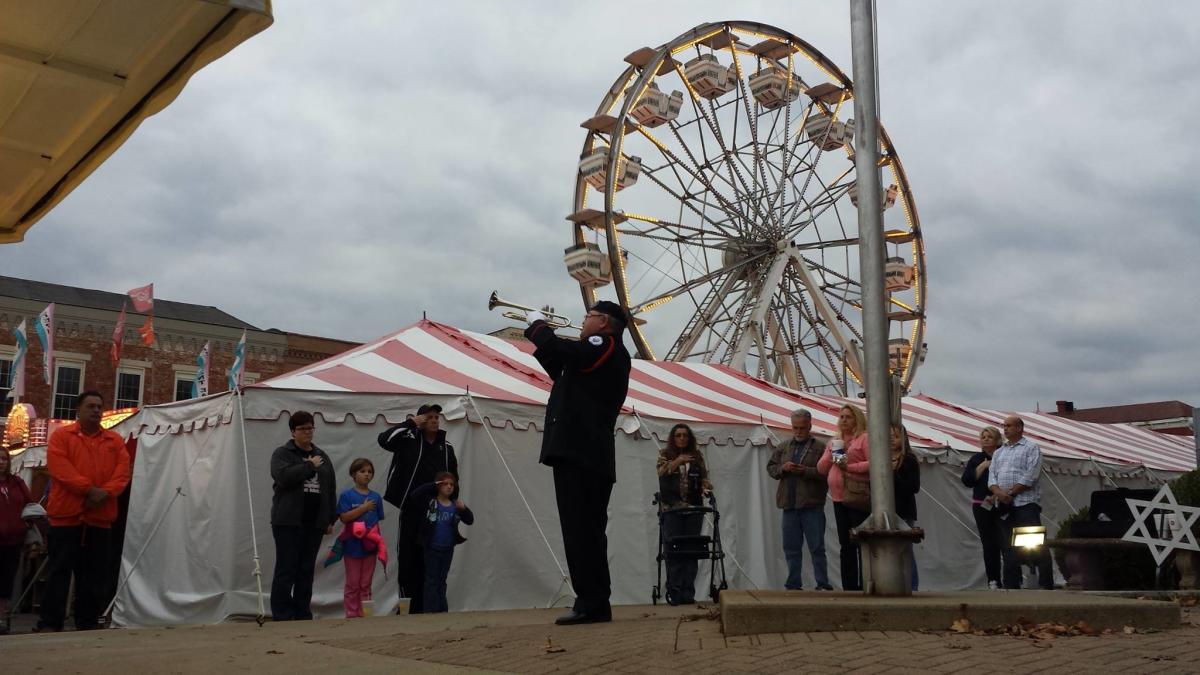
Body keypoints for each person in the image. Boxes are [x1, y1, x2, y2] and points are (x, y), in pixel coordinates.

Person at [524, 300, 631, 625]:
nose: (583, 322)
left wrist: (538, 326)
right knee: (584, 531)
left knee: (581, 531)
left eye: (588, 317)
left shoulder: (605, 344)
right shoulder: (597, 354)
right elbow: (563, 367)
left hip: (582, 450)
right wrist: (544, 341)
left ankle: (591, 602)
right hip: (585, 451)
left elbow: (571, 355)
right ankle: (593, 600)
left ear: (603, 323)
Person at [36, 391, 132, 632]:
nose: (96, 410)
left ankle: (88, 621)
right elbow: (60, 470)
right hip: (66, 518)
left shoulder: (114, 441)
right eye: (91, 406)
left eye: (99, 406)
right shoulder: (61, 437)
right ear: (78, 410)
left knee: (93, 575)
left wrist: (106, 493)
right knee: (59, 571)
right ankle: (50, 622)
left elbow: (123, 472)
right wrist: (90, 490)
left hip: (99, 519)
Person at [377, 403, 458, 614]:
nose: (433, 420)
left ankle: (432, 607)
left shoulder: (446, 447)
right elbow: (384, 440)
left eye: (436, 417)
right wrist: (410, 423)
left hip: (436, 513)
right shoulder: (408, 440)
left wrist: (452, 504)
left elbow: (453, 478)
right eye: (429, 417)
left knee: (432, 561)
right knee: (408, 559)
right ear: (421, 419)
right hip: (412, 509)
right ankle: (408, 608)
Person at [269, 411, 337, 621]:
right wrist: (309, 466)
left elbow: (330, 488)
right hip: (288, 520)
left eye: (311, 428)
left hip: (314, 521)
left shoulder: (322, 456)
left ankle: (302, 612)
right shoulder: (283, 454)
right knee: (286, 567)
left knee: (306, 569)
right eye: (303, 429)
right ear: (293, 431)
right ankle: (282, 613)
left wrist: (329, 518)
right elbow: (283, 477)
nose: (308, 432)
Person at [766, 409, 831, 591]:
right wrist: (783, 469)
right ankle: (793, 583)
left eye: (802, 428)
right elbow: (771, 468)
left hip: (812, 505)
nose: (798, 431)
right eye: (795, 428)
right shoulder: (784, 447)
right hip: (789, 504)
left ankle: (823, 583)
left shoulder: (821, 447)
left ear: (810, 426)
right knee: (791, 548)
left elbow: (827, 474)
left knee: (816, 547)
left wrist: (805, 471)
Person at [988, 415, 1054, 590]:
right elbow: (991, 477)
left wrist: (1010, 492)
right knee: (1008, 546)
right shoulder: (999, 452)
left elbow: (1031, 475)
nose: (1005, 428)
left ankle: (1045, 584)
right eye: (1004, 425)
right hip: (1004, 505)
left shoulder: (1031, 448)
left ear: (1019, 428)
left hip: (1026, 504)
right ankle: (1011, 585)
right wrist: (998, 493)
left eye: (1009, 425)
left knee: (1035, 545)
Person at [656, 423, 712, 605]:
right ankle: (674, 590)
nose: (682, 438)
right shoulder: (665, 454)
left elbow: (704, 477)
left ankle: (688, 592)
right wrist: (678, 461)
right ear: (673, 438)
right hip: (672, 509)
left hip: (693, 508)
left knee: (691, 550)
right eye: (678, 435)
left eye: (685, 435)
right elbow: (661, 472)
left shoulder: (697, 456)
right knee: (674, 550)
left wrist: (705, 485)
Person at [817, 404, 869, 591]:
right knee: (845, 543)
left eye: (848, 416)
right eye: (842, 417)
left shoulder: (864, 439)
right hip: (838, 498)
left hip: (857, 496)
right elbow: (821, 469)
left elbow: (873, 463)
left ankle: (866, 582)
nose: (844, 420)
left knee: (861, 542)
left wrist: (850, 467)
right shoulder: (834, 441)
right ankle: (849, 586)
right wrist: (831, 454)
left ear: (857, 419)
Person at [409, 472, 474, 613]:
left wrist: (464, 509)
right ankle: (429, 610)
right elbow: (414, 495)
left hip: (447, 548)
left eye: (451, 484)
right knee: (431, 580)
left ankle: (441, 610)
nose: (449, 487)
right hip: (431, 547)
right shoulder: (431, 502)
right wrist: (432, 485)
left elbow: (470, 520)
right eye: (445, 484)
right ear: (438, 486)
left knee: (442, 580)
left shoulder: (455, 505)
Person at [336, 458, 385, 618]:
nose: (366, 475)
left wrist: (379, 543)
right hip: (352, 545)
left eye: (369, 472)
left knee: (366, 582)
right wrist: (363, 508)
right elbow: (344, 517)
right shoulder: (347, 495)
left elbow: (377, 522)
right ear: (353, 474)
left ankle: (366, 612)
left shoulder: (376, 497)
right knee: (353, 582)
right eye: (362, 471)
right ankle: (351, 613)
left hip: (370, 546)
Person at [962, 425, 1004, 589]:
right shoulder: (976, 459)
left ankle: (1012, 577)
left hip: (1003, 502)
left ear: (997, 440)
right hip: (982, 505)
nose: (986, 439)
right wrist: (982, 466)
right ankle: (993, 579)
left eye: (990, 437)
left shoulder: (1004, 456)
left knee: (1006, 541)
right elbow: (967, 481)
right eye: (983, 437)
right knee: (989, 543)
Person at [0, 448, 37, 634]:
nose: (1, 462)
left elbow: (30, 505)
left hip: (13, 540)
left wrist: (28, 525)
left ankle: (1, 617)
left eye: (4, 458)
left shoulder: (17, 482)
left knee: (6, 580)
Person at [890, 424, 921, 591]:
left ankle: (911, 585)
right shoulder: (881, 458)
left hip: (903, 509)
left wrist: (893, 474)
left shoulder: (909, 459)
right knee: (889, 550)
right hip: (886, 510)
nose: (890, 439)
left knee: (905, 549)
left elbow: (914, 487)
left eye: (894, 436)